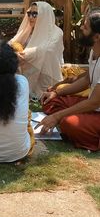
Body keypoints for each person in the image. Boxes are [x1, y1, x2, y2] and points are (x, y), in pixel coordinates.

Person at [38, 8, 100, 152]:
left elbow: (95, 102)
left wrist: (58, 116)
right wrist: (57, 92)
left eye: (85, 26)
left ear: (96, 37)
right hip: (92, 105)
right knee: (51, 101)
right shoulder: (95, 50)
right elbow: (86, 79)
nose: (81, 28)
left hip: (95, 107)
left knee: (68, 123)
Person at [10, 1, 64, 98]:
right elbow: (12, 43)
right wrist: (14, 52)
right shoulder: (28, 28)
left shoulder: (56, 32)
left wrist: (23, 55)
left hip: (46, 73)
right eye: (29, 13)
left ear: (45, 15)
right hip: (25, 66)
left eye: (35, 14)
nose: (30, 17)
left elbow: (46, 50)